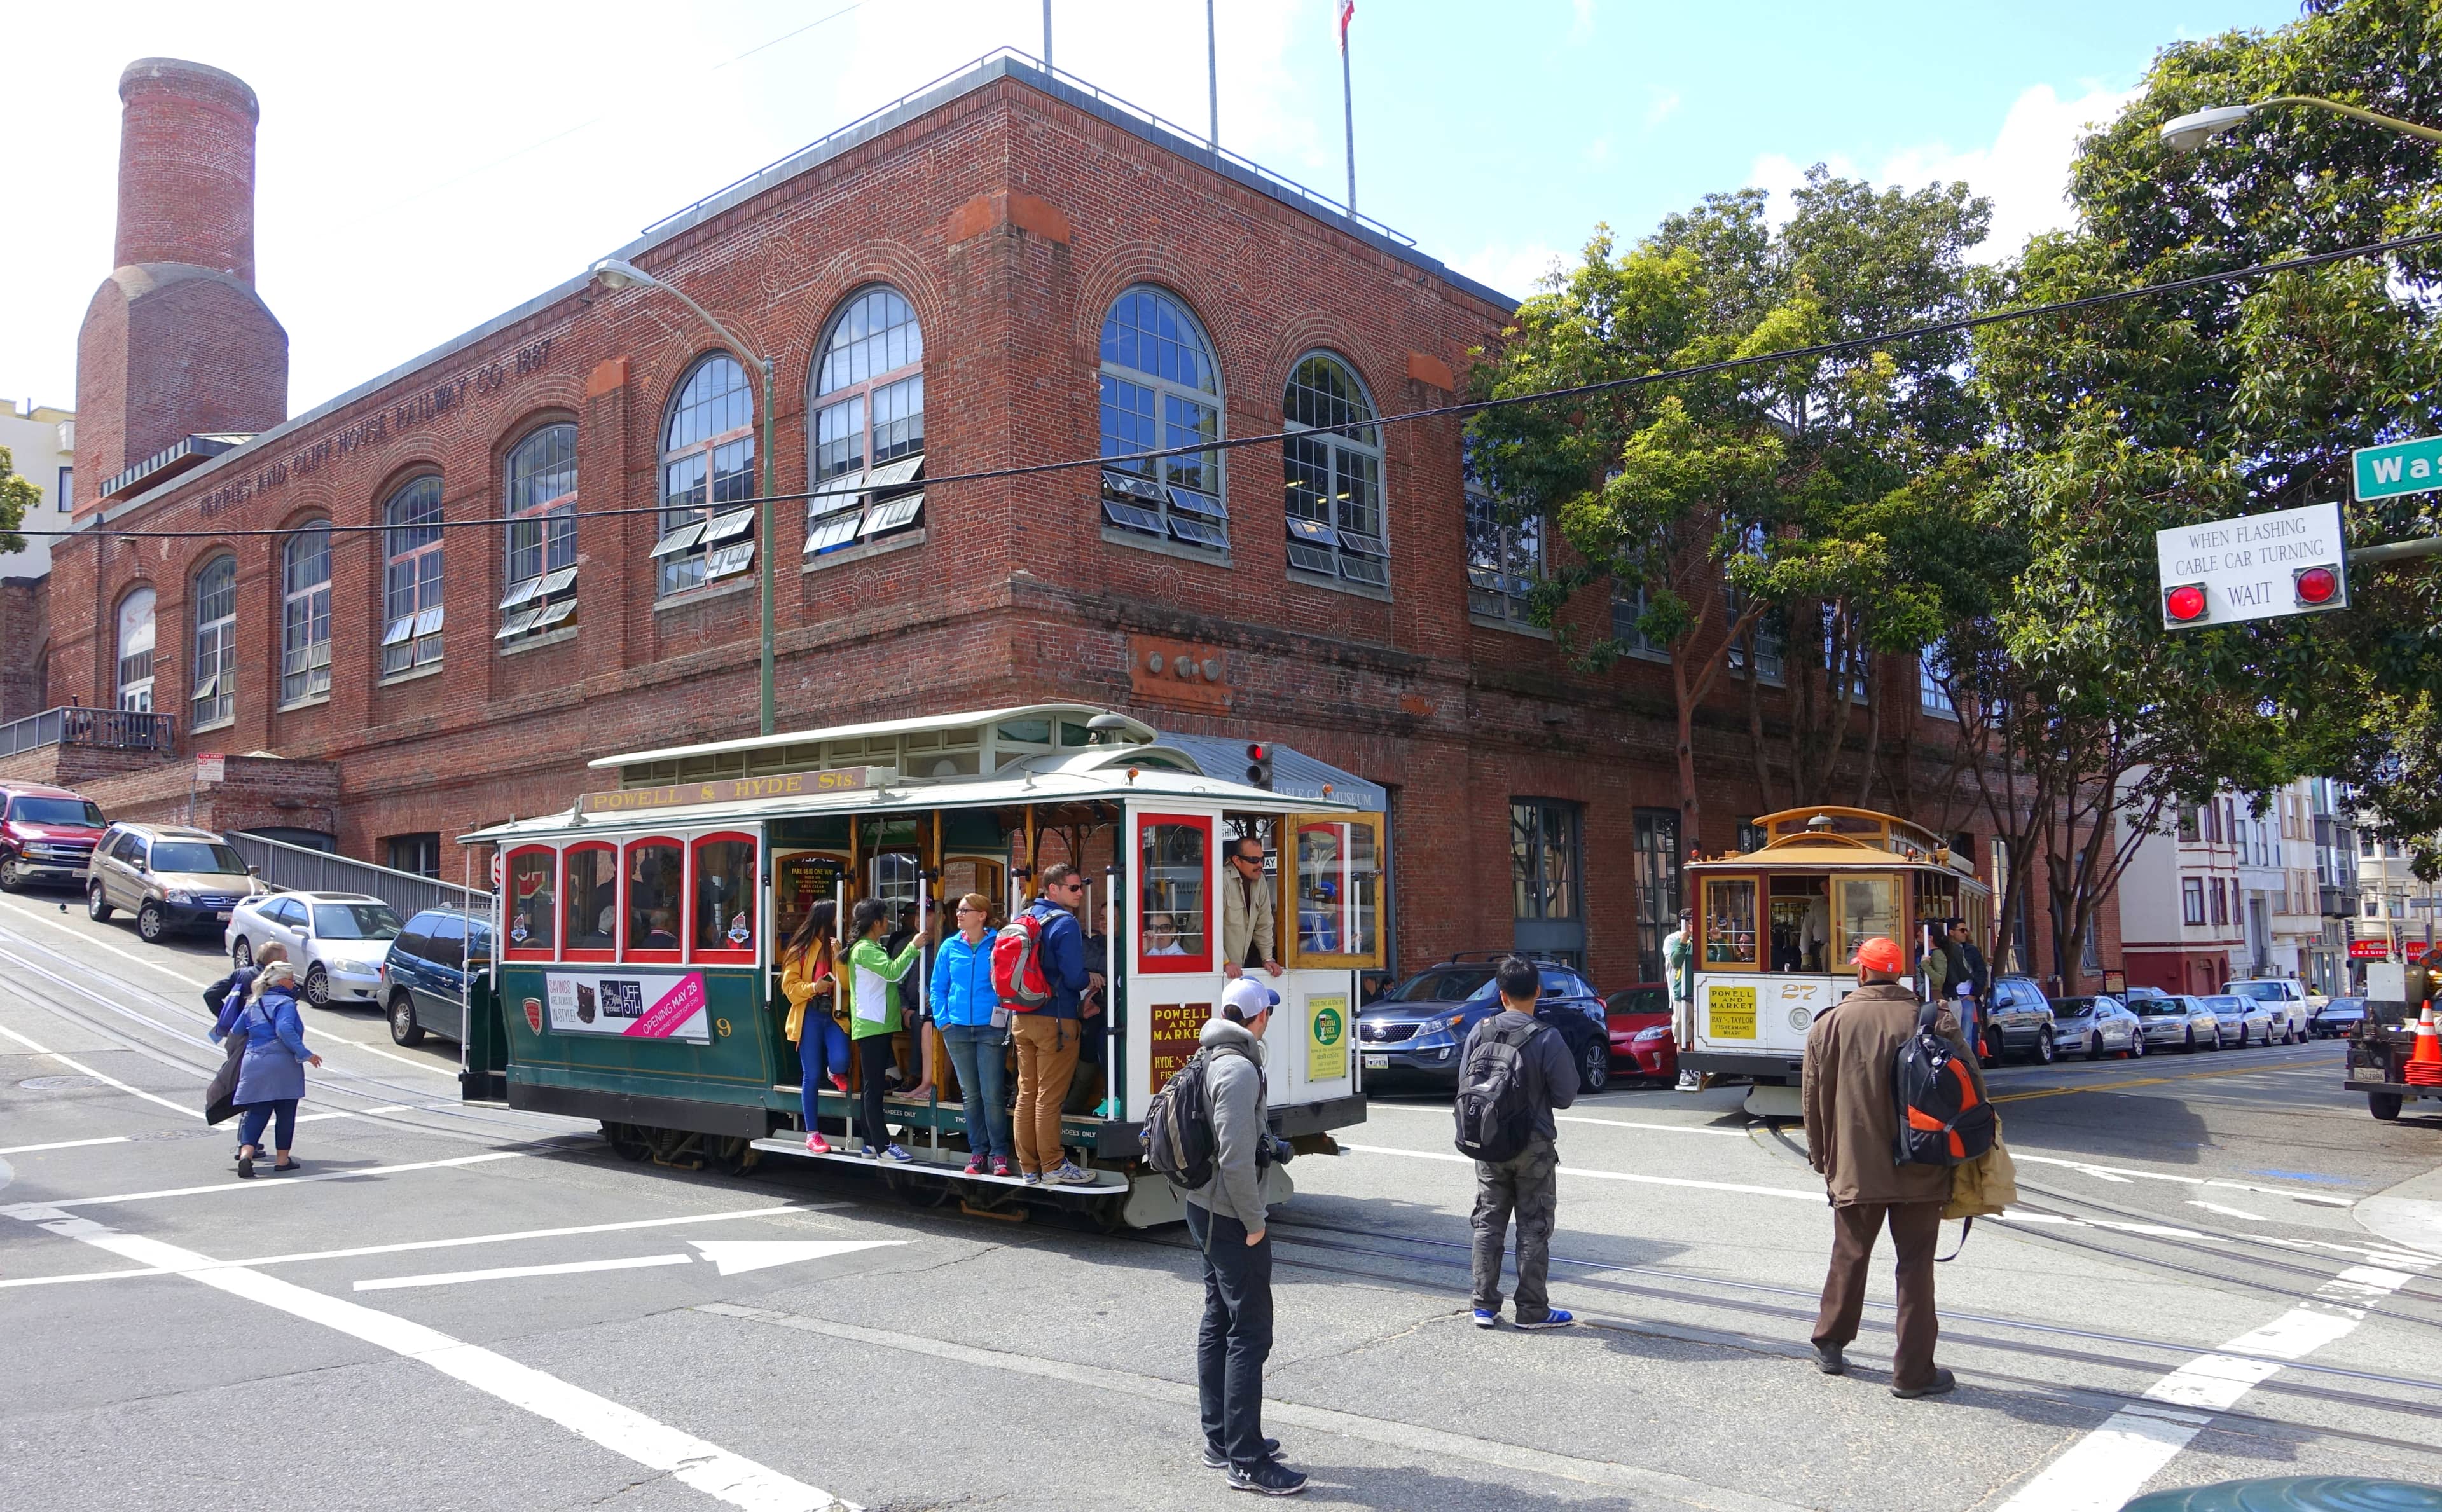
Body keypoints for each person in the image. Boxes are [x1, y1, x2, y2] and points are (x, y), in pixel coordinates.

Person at [1801, 934, 1985, 1399]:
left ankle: (1830, 1344)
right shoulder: (1932, 1017)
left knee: (1850, 1253)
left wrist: (1824, 1159)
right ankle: (1913, 1372)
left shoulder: (1831, 1024)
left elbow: (1814, 1100)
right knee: (1917, 1265)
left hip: (1857, 1165)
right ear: (1901, 973)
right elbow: (1973, 1086)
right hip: (1924, 1161)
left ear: (1862, 972)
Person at [1184, 977, 1305, 1497]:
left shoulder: (1208, 1055)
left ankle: (1222, 1438)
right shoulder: (1236, 1069)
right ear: (1258, 1019)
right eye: (1269, 1014)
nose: (1269, 1021)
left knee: (1220, 1316)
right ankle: (1247, 1461)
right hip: (1229, 1215)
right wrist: (1256, 1222)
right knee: (1249, 1332)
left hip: (1205, 1206)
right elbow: (1233, 1159)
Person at [1463, 954, 1580, 1331]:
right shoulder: (1546, 1037)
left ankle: (1484, 1306)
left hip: (1488, 1142)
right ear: (1538, 992)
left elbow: (1464, 1084)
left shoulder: (1479, 1031)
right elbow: (1566, 1095)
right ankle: (1532, 1310)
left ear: (1501, 995)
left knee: (1488, 1221)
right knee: (1534, 1225)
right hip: (1533, 1146)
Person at [1009, 863, 1101, 1186]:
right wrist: (1090, 978)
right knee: (1048, 1097)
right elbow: (1074, 977)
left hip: (1022, 1018)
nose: (1080, 893)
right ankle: (1053, 1165)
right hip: (1056, 1020)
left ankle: (1029, 1167)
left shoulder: (1025, 917)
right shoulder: (1065, 924)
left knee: (1027, 1094)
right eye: (1074, 888)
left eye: (1081, 887)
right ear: (1053, 889)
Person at [932, 892, 1012, 1176]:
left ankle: (999, 1153)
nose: (959, 914)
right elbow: (937, 987)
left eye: (965, 910)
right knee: (971, 1095)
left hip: (990, 1028)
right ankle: (978, 1152)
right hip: (957, 1029)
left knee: (991, 1094)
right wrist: (943, 1021)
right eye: (959, 911)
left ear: (981, 915)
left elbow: (1008, 983)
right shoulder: (949, 947)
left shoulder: (999, 944)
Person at [841, 897, 927, 1162]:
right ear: (876, 922)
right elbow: (893, 973)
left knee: (873, 1085)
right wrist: (913, 947)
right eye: (885, 918)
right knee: (874, 1088)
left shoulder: (867, 946)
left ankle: (869, 1143)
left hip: (876, 1023)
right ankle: (882, 1146)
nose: (889, 922)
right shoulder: (866, 949)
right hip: (873, 1024)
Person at [220, 960, 322, 1179]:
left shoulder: (253, 1002)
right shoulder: (285, 1003)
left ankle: (247, 1155)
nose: (294, 983)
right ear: (283, 981)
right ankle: (282, 1160)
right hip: (282, 1064)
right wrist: (306, 1054)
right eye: (292, 979)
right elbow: (284, 1029)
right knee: (286, 1112)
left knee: (257, 1111)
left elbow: (236, 1032)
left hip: (254, 1063)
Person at [780, 900, 850, 1154]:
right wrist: (814, 988)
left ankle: (834, 1072)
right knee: (810, 1075)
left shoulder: (838, 947)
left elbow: (848, 984)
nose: (841, 921)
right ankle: (813, 1134)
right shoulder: (800, 948)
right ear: (826, 919)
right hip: (809, 1014)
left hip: (834, 1014)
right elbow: (789, 989)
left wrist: (840, 958)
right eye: (838, 917)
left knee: (841, 1060)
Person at [1221, 834, 1283, 979]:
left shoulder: (1260, 880)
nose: (1260, 864)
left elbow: (1264, 923)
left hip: (1237, 967)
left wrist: (1268, 958)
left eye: (1262, 859)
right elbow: (1208, 928)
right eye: (1254, 860)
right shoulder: (1221, 880)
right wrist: (1224, 962)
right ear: (1237, 860)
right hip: (1211, 968)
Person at [1665, 907, 1699, 1092]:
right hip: (1680, 994)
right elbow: (1675, 962)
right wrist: (1684, 942)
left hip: (1700, 992)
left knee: (1697, 1034)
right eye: (1691, 921)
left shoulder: (1701, 939)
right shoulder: (1672, 939)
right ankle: (1686, 1070)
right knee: (1682, 1034)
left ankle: (1696, 1068)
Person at [1947, 918, 1990, 1054]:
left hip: (1967, 998)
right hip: (1951, 998)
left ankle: (1968, 1066)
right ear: (1951, 932)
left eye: (1966, 930)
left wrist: (1974, 994)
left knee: (1967, 1035)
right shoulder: (1945, 951)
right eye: (1962, 930)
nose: (1965, 933)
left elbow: (1982, 971)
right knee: (1950, 1034)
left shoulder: (1972, 951)